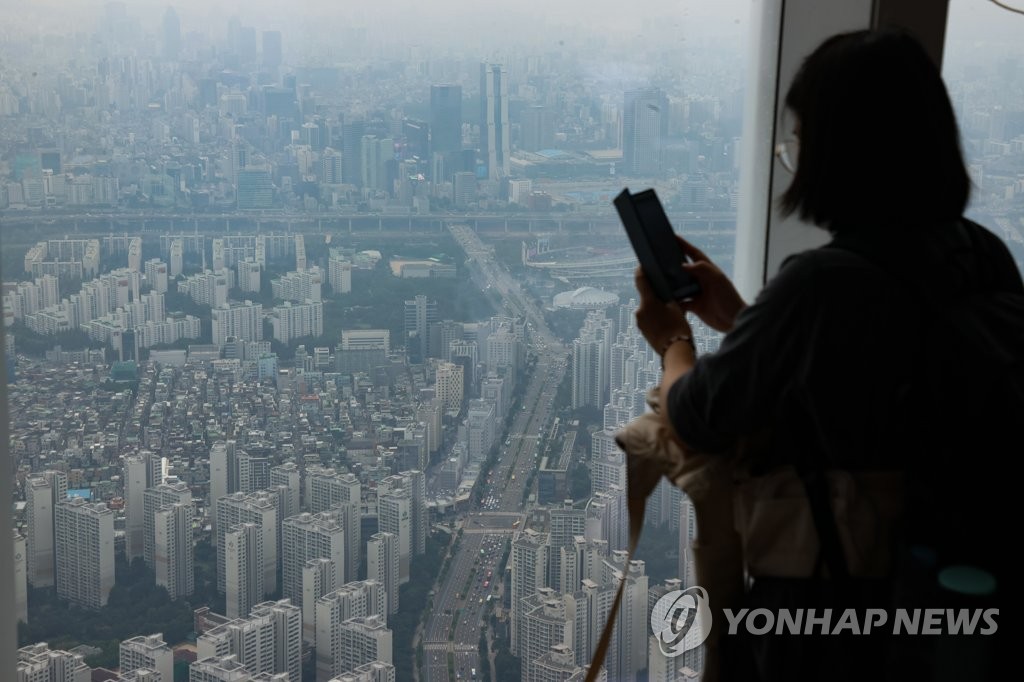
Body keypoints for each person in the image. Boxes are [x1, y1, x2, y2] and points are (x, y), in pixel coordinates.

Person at [632, 29, 1021, 682]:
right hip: (952, 583)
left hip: (832, 602)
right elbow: (876, 364)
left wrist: (672, 338)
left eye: (800, 138)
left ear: (833, 156)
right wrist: (742, 316)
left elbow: (697, 414)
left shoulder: (820, 283)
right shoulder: (980, 252)